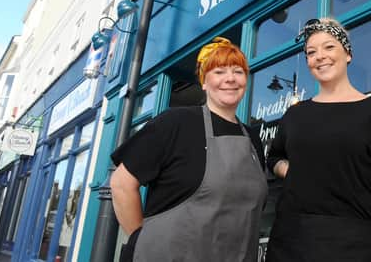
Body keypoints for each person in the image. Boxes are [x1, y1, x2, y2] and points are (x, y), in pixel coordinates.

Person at [110, 37, 268, 262]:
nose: (230, 79)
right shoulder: (175, 123)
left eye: (238, 71)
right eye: (219, 71)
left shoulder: (253, 139)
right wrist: (141, 241)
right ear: (204, 81)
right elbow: (121, 184)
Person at [265, 18, 371, 262]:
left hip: (354, 246)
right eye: (311, 52)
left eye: (329, 47)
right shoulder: (295, 114)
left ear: (348, 54)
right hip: (290, 242)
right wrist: (288, 170)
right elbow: (274, 157)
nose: (320, 56)